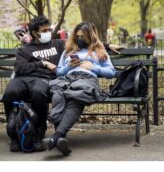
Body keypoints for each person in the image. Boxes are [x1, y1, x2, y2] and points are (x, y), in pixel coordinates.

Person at [43, 22, 116, 156]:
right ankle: (60, 138)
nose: (79, 39)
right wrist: (69, 66)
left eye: (83, 36)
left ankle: (56, 136)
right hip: (68, 78)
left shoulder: (99, 50)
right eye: (77, 36)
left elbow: (112, 72)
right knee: (58, 91)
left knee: (75, 97)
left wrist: (93, 67)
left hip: (86, 79)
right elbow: (59, 72)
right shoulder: (68, 51)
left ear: (90, 36)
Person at [3, 15, 65, 152]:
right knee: (10, 93)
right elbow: (20, 68)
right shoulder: (24, 49)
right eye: (44, 30)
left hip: (43, 79)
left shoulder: (58, 44)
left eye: (49, 29)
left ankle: (38, 133)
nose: (48, 32)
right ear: (34, 33)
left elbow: (84, 42)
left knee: (38, 92)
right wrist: (42, 63)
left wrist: (108, 45)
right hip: (21, 79)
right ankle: (14, 134)